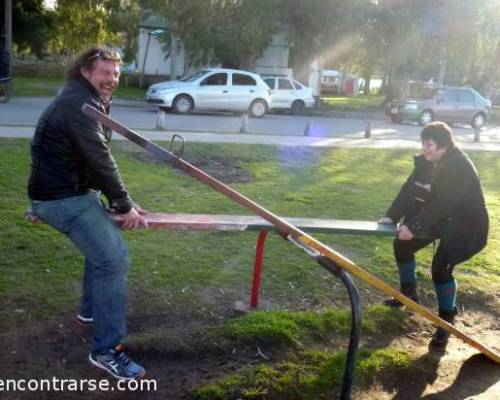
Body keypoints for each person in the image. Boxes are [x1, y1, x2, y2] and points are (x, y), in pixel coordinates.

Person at [28, 46, 148, 379]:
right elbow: (99, 159)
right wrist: (124, 205)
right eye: (104, 73)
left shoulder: (83, 97)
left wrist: (121, 201)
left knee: (101, 253)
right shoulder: (78, 104)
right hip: (62, 199)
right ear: (85, 71)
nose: (111, 79)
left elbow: (87, 157)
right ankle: (106, 350)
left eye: (115, 73)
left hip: (69, 192)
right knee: (113, 259)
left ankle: (90, 314)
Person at [378, 122, 488, 348]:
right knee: (402, 246)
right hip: (442, 220)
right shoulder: (428, 162)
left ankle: (446, 323)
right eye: (423, 143)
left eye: (429, 144)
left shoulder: (459, 165)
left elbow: (445, 203)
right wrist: (392, 215)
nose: (425, 148)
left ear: (444, 145)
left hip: (466, 225)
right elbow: (408, 189)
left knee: (440, 268)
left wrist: (414, 227)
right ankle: (408, 296)